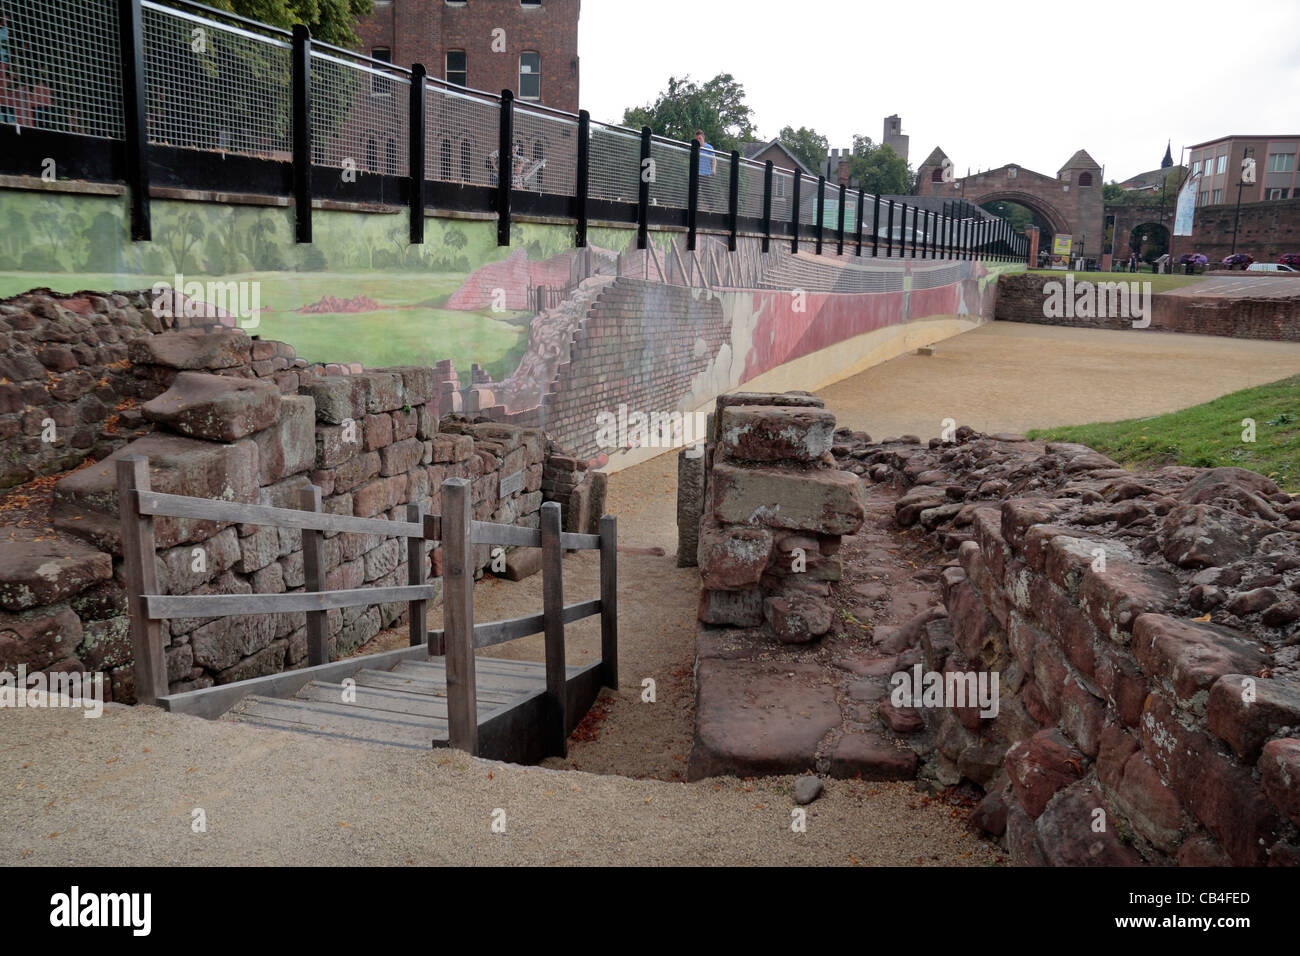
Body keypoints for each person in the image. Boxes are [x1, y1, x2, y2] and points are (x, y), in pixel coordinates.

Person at [695, 129, 717, 208]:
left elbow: (714, 159)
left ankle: (712, 208)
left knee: (706, 192)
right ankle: (695, 207)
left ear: (703, 138)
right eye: (697, 139)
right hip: (696, 173)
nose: (698, 140)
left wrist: (713, 169)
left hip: (705, 174)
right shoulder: (695, 147)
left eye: (699, 138)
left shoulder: (709, 147)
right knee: (694, 191)